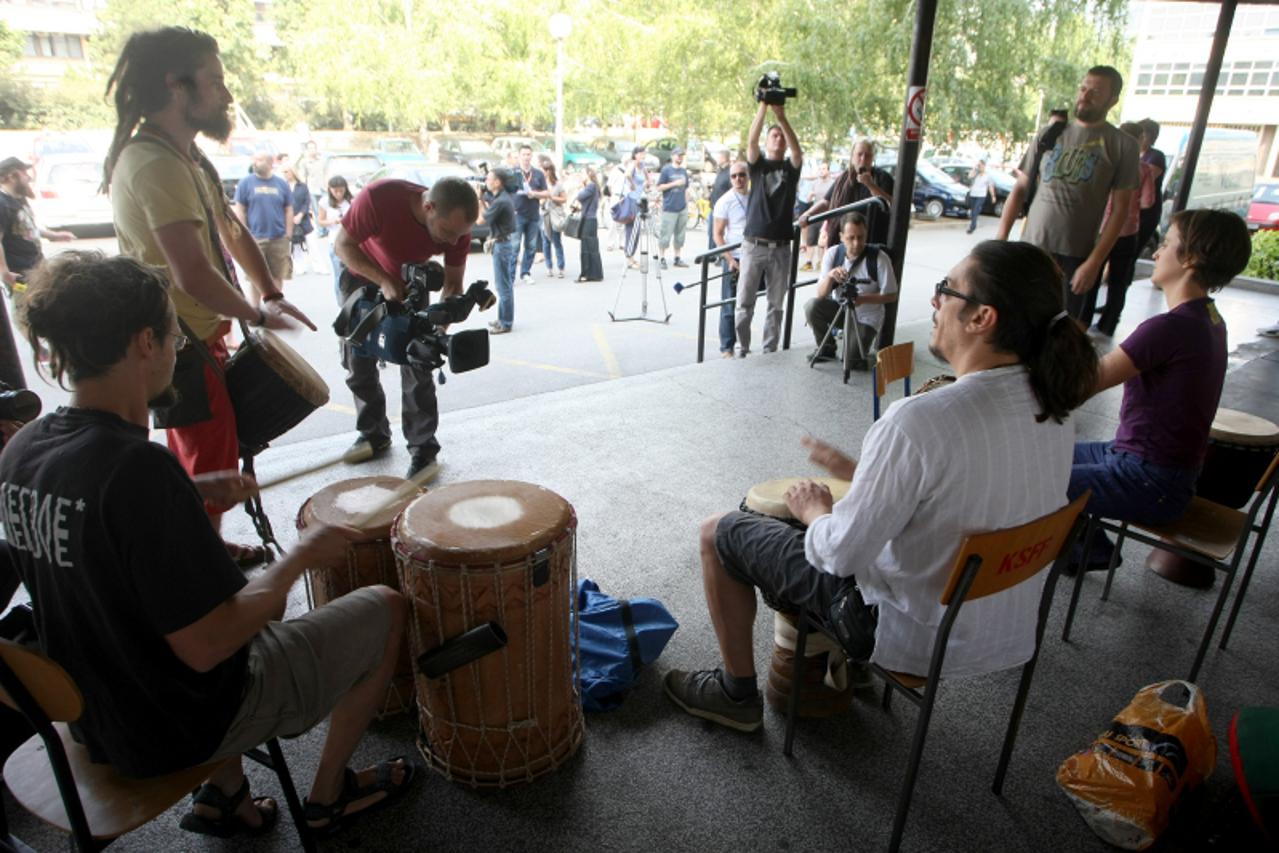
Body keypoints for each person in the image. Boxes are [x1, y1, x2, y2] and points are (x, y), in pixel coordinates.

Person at [1, 251, 415, 839]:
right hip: (175, 724)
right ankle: (329, 795)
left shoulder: (24, 448)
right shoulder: (137, 470)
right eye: (175, 336)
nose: (178, 350)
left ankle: (226, 798)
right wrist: (299, 558)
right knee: (384, 607)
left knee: (176, 606)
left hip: (93, 713)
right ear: (145, 342)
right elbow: (211, 645)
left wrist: (186, 492)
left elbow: (94, 535)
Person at [663, 240, 1099, 731]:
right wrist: (866, 474)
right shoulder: (1053, 408)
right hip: (1001, 629)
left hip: (906, 635)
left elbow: (838, 555)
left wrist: (813, 510)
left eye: (947, 289)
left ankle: (734, 693)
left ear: (982, 318)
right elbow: (965, 497)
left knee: (719, 531)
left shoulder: (920, 419)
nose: (935, 300)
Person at [104, 27, 314, 566]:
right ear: (176, 86)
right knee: (209, 460)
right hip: (175, 343)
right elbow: (193, 273)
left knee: (202, 453)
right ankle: (199, 566)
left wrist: (270, 291)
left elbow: (231, 229)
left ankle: (203, 546)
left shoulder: (186, 157)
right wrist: (255, 315)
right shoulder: (155, 164)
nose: (226, 94)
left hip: (195, 336)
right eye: (215, 81)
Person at [1067, 209, 1252, 570]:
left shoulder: (1169, 328)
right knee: (1046, 455)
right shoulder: (1210, 319)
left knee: (1039, 478)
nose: (1156, 252)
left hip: (1150, 481)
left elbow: (1084, 384)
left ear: (1192, 258)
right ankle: (1092, 547)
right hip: (1150, 466)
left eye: (1166, 244)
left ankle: (1086, 549)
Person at [335, 175, 478, 480]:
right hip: (362, 279)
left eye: (461, 235)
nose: (453, 243)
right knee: (358, 362)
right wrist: (384, 280)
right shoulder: (379, 198)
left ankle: (423, 449)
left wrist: (437, 333)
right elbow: (343, 246)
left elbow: (453, 285)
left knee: (418, 364)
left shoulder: (457, 230)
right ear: (429, 207)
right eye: (448, 233)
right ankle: (373, 434)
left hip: (411, 285)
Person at [997, 66, 1140, 323]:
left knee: (1061, 328)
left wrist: (1094, 262)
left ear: (1112, 100)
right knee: (1017, 322)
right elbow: (1020, 189)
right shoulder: (1050, 133)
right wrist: (1000, 241)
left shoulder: (1122, 145)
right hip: (1031, 247)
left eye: (1095, 92)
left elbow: (1120, 211)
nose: (1085, 96)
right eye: (1083, 88)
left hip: (1076, 256)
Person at [734, 99, 802, 358]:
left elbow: (797, 153)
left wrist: (782, 118)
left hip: (781, 248)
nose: (779, 139)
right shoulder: (758, 166)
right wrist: (763, 107)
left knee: (776, 304)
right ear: (767, 140)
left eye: (781, 136)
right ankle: (742, 347)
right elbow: (751, 143)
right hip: (754, 245)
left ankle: (769, 351)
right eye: (774, 135)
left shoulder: (790, 169)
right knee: (744, 302)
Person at [1, 156, 75, 387]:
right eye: (24, 173)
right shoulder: (2, 204)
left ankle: (57, 350)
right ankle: (44, 353)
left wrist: (53, 235)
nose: (28, 177)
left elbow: (29, 227)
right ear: (11, 176)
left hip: (36, 266)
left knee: (48, 304)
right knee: (22, 312)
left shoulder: (19, 200)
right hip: (20, 272)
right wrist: (4, 271)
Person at [804, 212, 898, 368]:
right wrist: (831, 276)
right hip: (842, 310)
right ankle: (826, 347)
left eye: (861, 237)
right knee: (811, 306)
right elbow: (820, 295)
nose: (856, 243)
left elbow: (891, 295)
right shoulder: (833, 254)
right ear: (841, 237)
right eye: (851, 238)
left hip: (866, 317)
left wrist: (862, 299)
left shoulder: (879, 258)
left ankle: (865, 355)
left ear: (866, 234)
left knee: (851, 362)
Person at [1088, 122, 1150, 339]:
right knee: (1119, 281)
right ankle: (1109, 323)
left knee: (1092, 275)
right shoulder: (1144, 170)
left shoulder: (1105, 164)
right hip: (1128, 231)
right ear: (1140, 140)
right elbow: (1148, 202)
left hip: (1102, 229)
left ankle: (1082, 318)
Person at [799, 140, 893, 248]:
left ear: (872, 158)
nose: (863, 159)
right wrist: (808, 213)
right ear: (852, 157)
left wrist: (870, 184)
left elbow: (889, 203)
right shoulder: (843, 179)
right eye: (859, 154)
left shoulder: (883, 177)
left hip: (872, 241)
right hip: (844, 241)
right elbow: (826, 202)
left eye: (867, 155)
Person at [234, 153, 294, 297]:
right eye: (254, 160)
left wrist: (288, 233)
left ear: (270, 163)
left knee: (277, 274)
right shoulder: (245, 183)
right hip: (255, 238)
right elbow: (240, 209)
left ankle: (276, 304)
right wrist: (244, 234)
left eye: (259, 160)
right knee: (255, 276)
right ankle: (256, 307)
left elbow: (288, 209)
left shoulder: (281, 184)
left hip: (278, 237)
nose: (255, 163)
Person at [712, 162, 750, 358]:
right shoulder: (725, 201)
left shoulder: (754, 197)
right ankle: (727, 347)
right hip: (734, 257)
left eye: (742, 175)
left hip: (753, 257)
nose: (738, 179)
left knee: (747, 304)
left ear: (748, 176)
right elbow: (718, 235)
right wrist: (729, 260)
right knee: (729, 304)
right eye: (734, 176)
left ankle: (744, 344)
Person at [479, 168, 517, 334]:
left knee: (503, 287)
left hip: (502, 245)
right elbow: (489, 210)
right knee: (503, 285)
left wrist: (478, 199)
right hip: (502, 243)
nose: (486, 182)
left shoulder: (501, 201)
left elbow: (481, 220)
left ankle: (506, 322)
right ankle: (503, 318)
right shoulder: (500, 198)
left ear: (497, 182)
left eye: (489, 179)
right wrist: (482, 198)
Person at [513, 145, 548, 284]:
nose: (526, 157)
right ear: (519, 156)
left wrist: (535, 194)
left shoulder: (538, 173)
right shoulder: (513, 173)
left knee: (531, 247)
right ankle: (510, 276)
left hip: (533, 215)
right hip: (517, 214)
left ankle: (525, 272)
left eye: (528, 154)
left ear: (531, 156)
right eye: (524, 154)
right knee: (514, 246)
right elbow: (505, 191)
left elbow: (546, 192)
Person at [317, 175, 352, 303]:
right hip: (334, 241)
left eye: (341, 190)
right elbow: (320, 221)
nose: (338, 194)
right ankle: (341, 303)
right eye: (335, 191)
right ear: (330, 190)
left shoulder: (351, 201)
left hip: (351, 242)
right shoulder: (324, 202)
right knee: (339, 275)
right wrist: (333, 221)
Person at [1135, 118, 1166, 256]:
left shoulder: (1156, 156)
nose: (1140, 138)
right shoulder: (1132, 153)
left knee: (1132, 251)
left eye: (1144, 134)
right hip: (1130, 211)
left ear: (1152, 137)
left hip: (1146, 213)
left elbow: (1140, 181)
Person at [656, 147, 690, 269]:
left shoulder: (683, 171)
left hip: (682, 207)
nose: (680, 157)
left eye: (682, 156)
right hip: (670, 207)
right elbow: (659, 187)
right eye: (678, 155)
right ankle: (662, 258)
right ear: (672, 156)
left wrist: (687, 205)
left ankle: (677, 258)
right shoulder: (666, 170)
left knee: (680, 235)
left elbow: (686, 188)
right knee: (665, 234)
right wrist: (674, 184)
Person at [800, 161, 836, 269]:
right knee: (811, 239)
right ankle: (809, 262)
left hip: (827, 216)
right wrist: (810, 196)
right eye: (820, 169)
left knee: (822, 242)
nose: (821, 171)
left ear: (828, 171)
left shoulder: (833, 183)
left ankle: (821, 263)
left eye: (824, 169)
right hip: (815, 216)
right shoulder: (815, 183)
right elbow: (808, 200)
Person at [281, 163, 315, 274]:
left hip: (303, 219)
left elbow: (307, 202)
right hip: (289, 220)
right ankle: (300, 267)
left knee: (312, 243)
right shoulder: (283, 187)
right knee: (295, 244)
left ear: (292, 172)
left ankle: (319, 266)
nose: (285, 174)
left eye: (287, 171)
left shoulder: (302, 186)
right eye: (283, 172)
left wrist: (300, 215)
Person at [574, 165, 604, 282]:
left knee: (587, 248)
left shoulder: (590, 186)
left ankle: (587, 274)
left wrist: (580, 186)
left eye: (582, 173)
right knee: (591, 247)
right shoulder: (593, 186)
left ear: (589, 174)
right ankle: (593, 273)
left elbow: (579, 196)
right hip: (591, 219)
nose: (580, 176)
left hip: (588, 219)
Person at [621, 146, 649, 269]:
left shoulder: (643, 166)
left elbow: (648, 180)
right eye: (641, 153)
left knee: (636, 230)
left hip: (639, 200)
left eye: (644, 154)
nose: (643, 156)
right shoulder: (632, 164)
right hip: (631, 200)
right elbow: (627, 175)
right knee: (631, 230)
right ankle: (629, 258)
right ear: (635, 154)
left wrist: (646, 185)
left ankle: (631, 256)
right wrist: (632, 185)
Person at [541, 162, 568, 279]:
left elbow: (564, 199)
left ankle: (561, 268)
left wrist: (551, 197)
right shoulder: (541, 184)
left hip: (555, 216)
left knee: (556, 242)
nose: (543, 172)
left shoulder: (557, 185)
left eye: (545, 170)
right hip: (544, 215)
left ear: (550, 171)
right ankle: (549, 267)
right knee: (546, 243)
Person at [707, 148, 733, 249]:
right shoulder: (720, 171)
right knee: (711, 233)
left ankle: (718, 254)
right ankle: (710, 254)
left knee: (718, 234)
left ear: (724, 158)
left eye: (719, 157)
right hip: (713, 207)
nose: (717, 159)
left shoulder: (730, 173)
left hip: (722, 210)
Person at [965, 160, 998, 234]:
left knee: (975, 211)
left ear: (984, 166)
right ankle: (974, 222)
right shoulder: (976, 174)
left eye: (980, 165)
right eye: (978, 165)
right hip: (973, 194)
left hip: (981, 195)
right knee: (973, 211)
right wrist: (974, 168)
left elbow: (990, 187)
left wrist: (993, 196)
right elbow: (969, 176)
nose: (979, 167)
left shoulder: (988, 176)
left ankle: (972, 227)